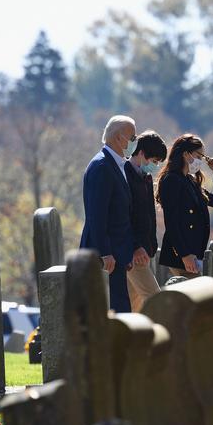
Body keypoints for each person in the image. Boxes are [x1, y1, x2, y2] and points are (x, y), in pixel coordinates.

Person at [80, 115, 137, 312]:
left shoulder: (115, 164)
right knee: (112, 313)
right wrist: (105, 252)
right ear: (119, 137)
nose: (134, 142)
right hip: (106, 256)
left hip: (118, 253)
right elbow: (97, 215)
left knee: (120, 311)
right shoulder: (102, 166)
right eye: (132, 137)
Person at [156, 134, 213, 278]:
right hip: (181, 255)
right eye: (199, 156)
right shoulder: (172, 180)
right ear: (185, 154)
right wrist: (184, 254)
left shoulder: (191, 181)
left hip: (194, 253)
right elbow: (171, 221)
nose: (200, 161)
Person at [124, 130, 167, 311]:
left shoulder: (146, 178)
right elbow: (123, 216)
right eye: (154, 161)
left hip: (145, 252)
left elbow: (149, 214)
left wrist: (150, 246)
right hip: (133, 252)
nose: (155, 166)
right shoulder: (124, 174)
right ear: (141, 153)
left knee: (134, 308)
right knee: (156, 301)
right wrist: (135, 246)